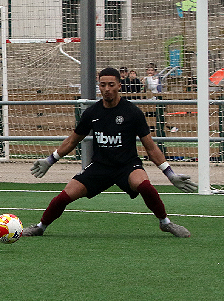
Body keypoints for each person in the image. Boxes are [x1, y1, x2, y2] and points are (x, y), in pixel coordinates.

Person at [22, 67, 197, 239]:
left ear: (119, 85)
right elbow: (72, 140)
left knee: (144, 186)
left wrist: (170, 173)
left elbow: (150, 147)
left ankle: (165, 223)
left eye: (111, 85)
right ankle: (40, 227)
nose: (107, 89)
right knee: (64, 196)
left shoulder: (133, 112)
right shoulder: (92, 113)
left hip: (127, 166)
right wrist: (50, 160)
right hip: (100, 167)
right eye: (103, 85)